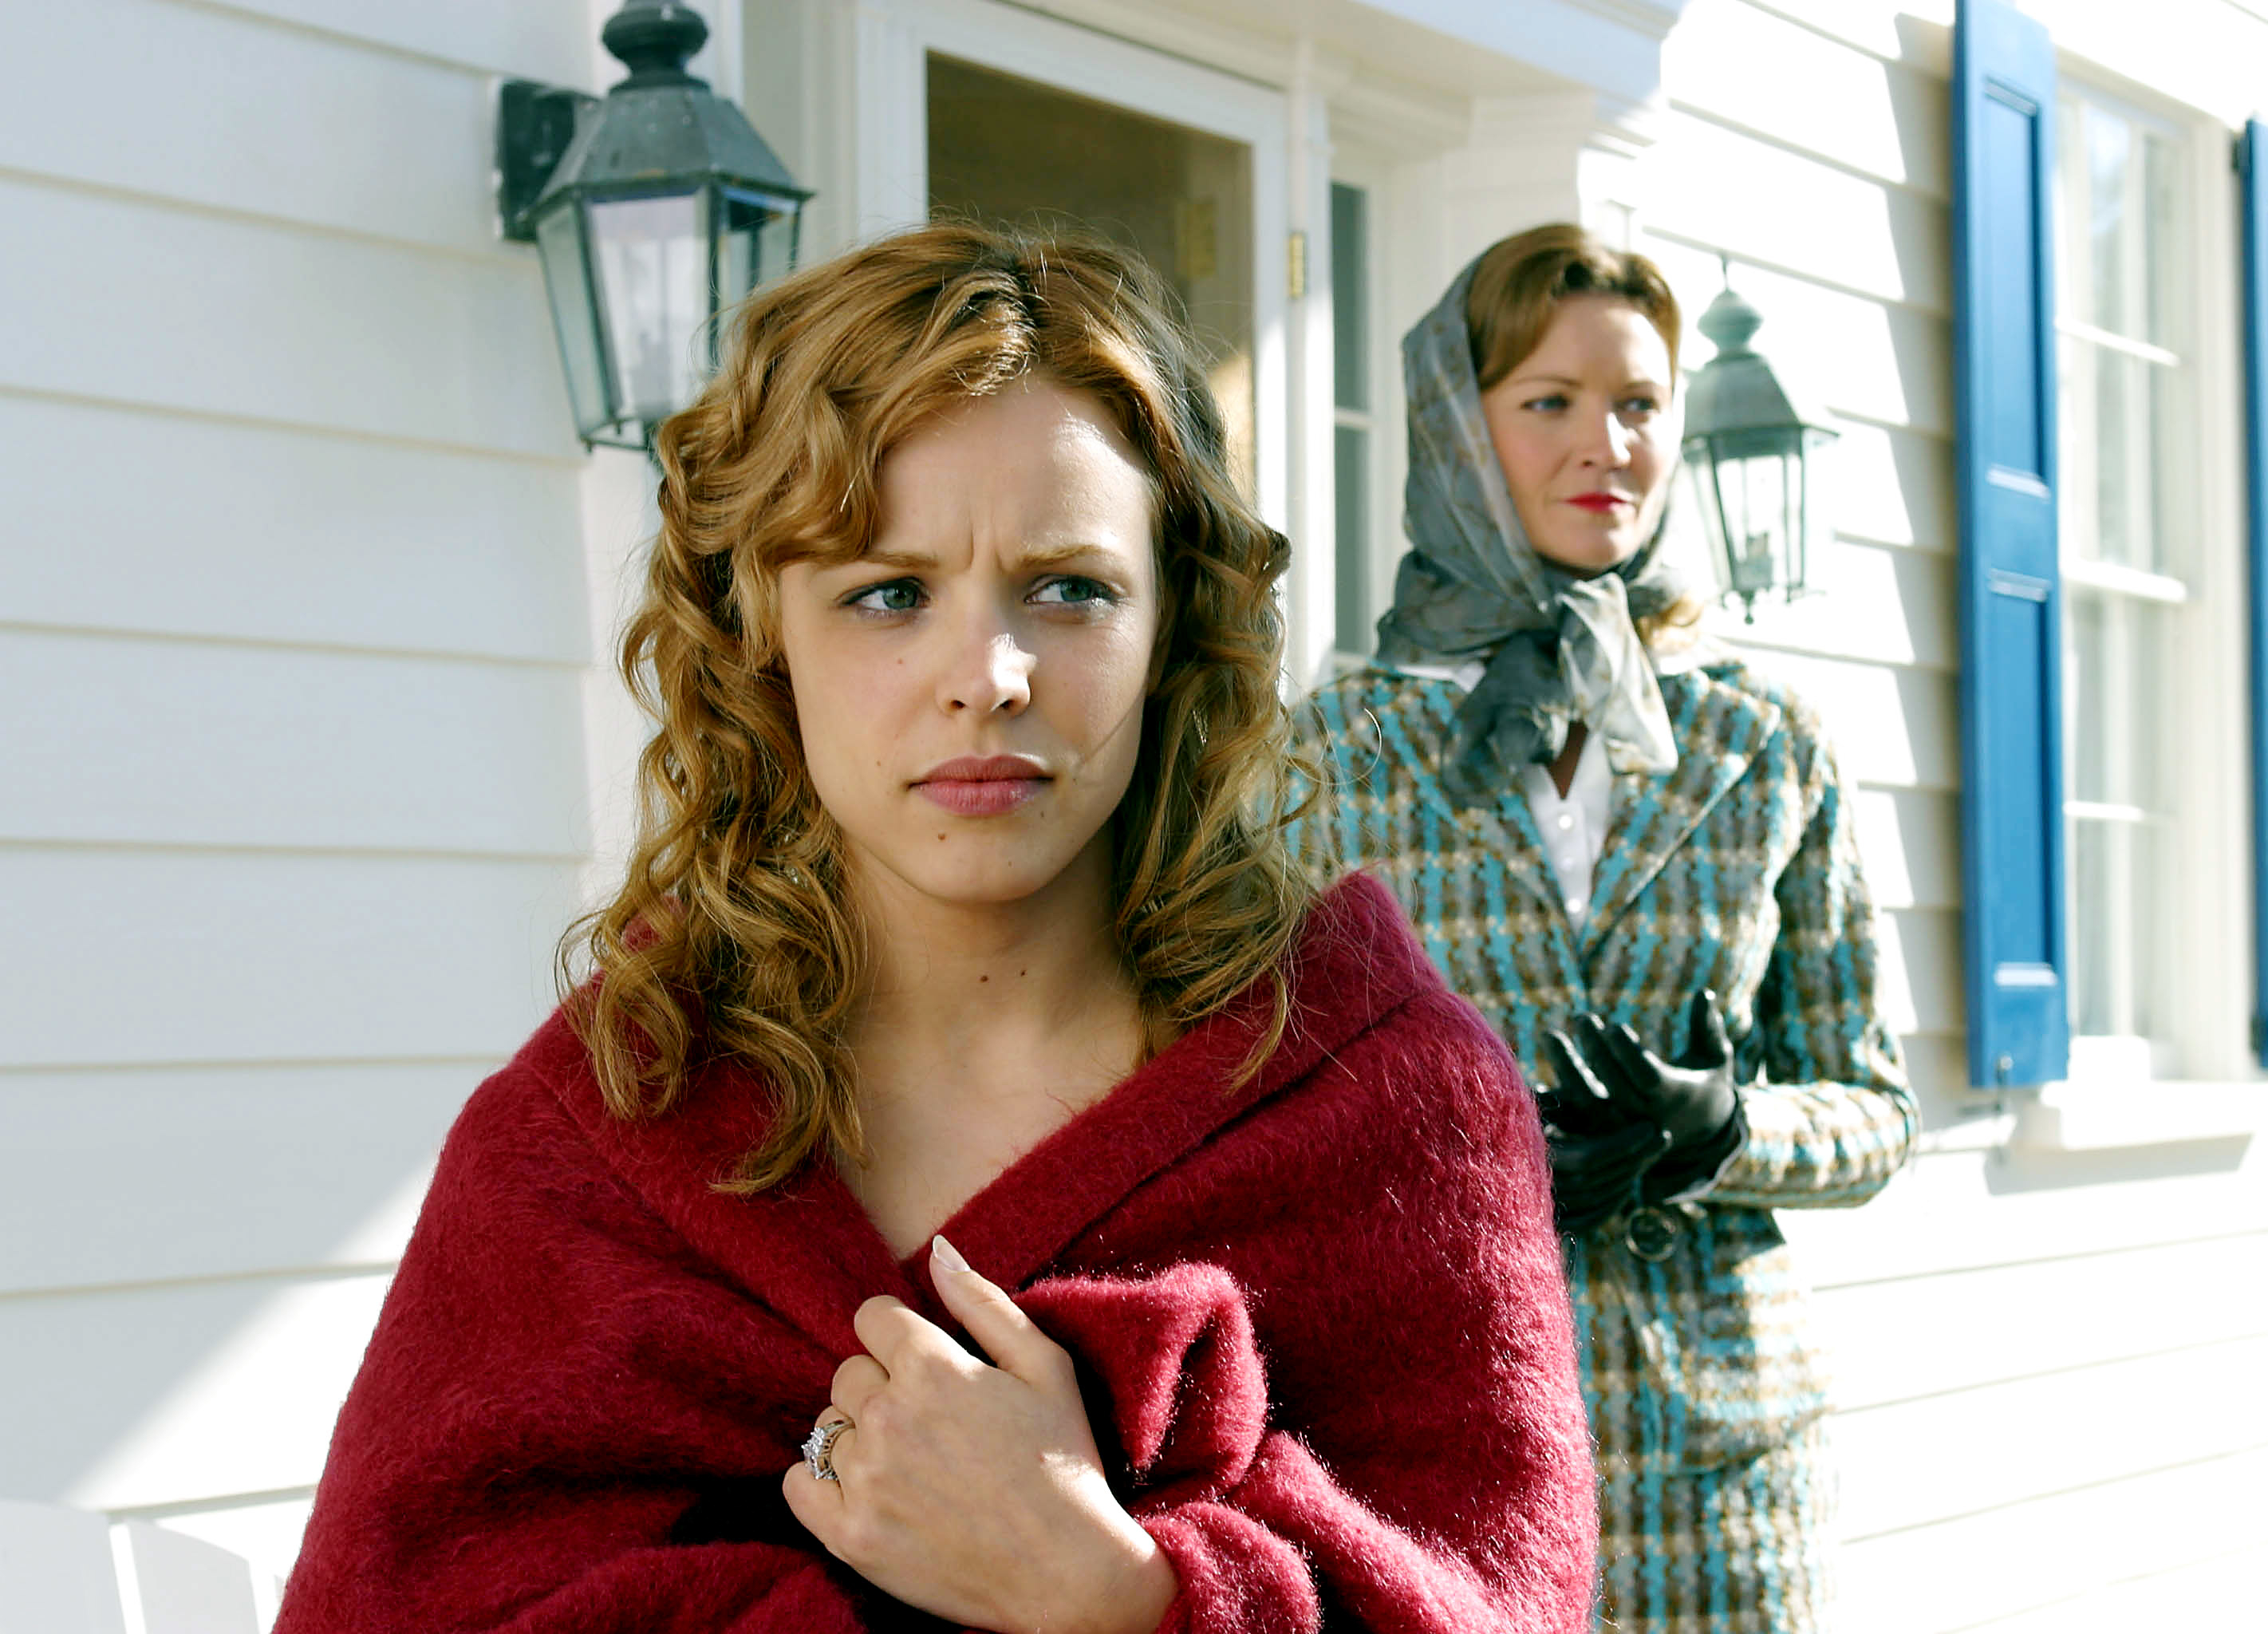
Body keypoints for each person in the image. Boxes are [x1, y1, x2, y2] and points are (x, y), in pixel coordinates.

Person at [273, 222, 1596, 1634]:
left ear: (1175, 626)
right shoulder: (596, 1127)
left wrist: (1121, 1597)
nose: (990, 676)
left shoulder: (1392, 1100)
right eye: (888, 593)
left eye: (1071, 589)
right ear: (760, 636)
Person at [1294, 223, 1919, 1631]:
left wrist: (1728, 1133)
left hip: (1721, 1478)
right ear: (1460, 425)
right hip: (1432, 1453)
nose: (1608, 446)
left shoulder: (1763, 742)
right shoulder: (1331, 757)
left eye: (1639, 405)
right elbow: (1249, 1100)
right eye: (1551, 403)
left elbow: (1875, 1108)